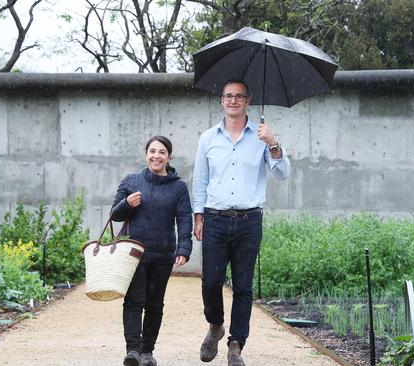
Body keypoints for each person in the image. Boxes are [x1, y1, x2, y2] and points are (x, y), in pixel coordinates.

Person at [192, 79, 291, 366]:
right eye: (228, 96)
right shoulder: (208, 138)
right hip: (215, 219)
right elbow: (200, 180)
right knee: (211, 282)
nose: (233, 101)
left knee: (244, 286)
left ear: (248, 101)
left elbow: (283, 173)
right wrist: (199, 216)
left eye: (239, 96)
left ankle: (236, 344)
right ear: (221, 101)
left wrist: (273, 143)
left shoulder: (261, 137)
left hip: (249, 221)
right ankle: (215, 325)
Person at [110, 135, 193, 366]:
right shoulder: (131, 181)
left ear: (169, 157)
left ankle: (147, 352)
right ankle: (132, 351)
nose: (157, 156)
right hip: (134, 254)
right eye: (153, 151)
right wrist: (127, 204)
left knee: (155, 304)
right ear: (146, 153)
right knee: (133, 301)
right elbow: (115, 216)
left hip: (163, 254)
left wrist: (184, 247)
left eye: (162, 152)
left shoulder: (178, 187)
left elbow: (184, 219)